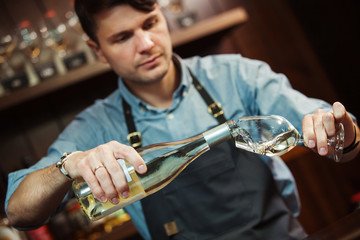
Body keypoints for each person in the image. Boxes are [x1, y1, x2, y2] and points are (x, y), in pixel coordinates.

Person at [5, 0, 360, 239]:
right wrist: (70, 165)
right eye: (123, 37)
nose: (145, 43)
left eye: (150, 23)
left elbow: (342, 142)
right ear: (98, 51)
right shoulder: (97, 126)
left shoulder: (236, 75)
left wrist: (339, 130)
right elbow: (20, 212)